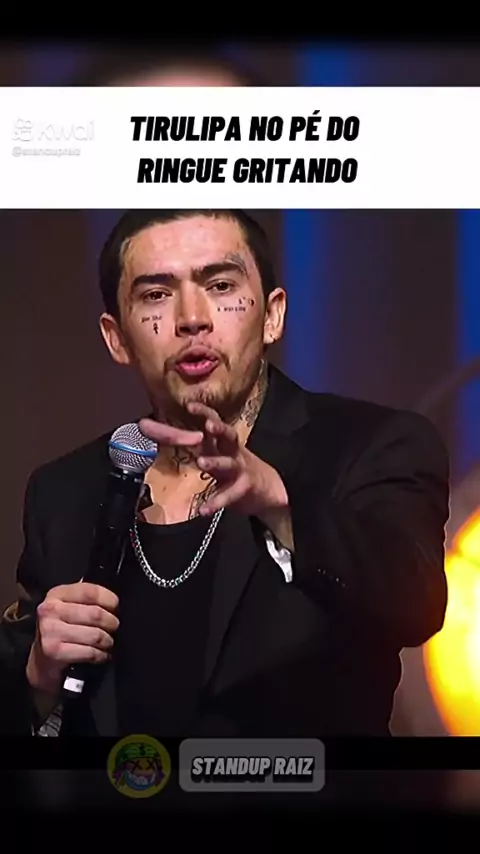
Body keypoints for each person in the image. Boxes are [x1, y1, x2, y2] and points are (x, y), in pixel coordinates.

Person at [0, 208, 449, 741]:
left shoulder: (370, 445)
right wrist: (38, 676)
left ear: (272, 316)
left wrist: (281, 505)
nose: (192, 318)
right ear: (116, 338)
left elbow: (416, 604)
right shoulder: (65, 490)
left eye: (220, 286)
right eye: (156, 295)